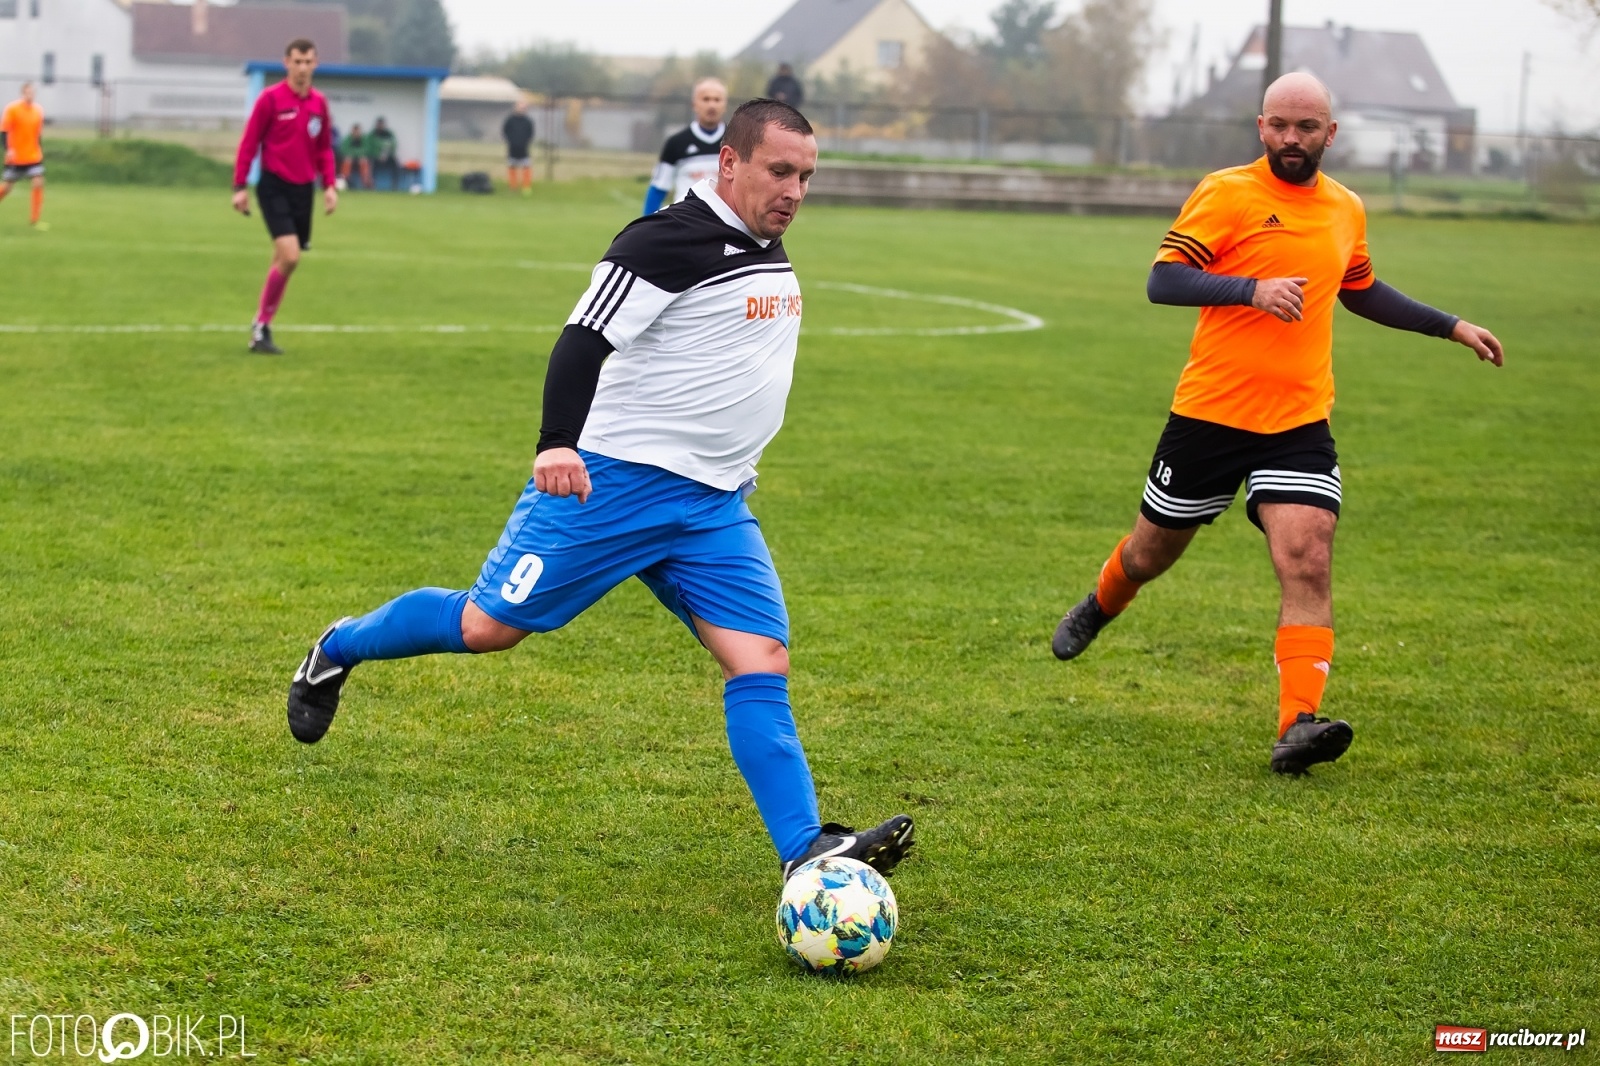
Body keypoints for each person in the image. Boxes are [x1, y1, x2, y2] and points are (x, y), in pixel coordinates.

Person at [284, 99, 915, 888]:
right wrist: (556, 440)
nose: (794, 190)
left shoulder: (765, 246)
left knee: (760, 660)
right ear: (729, 164)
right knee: (485, 628)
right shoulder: (664, 241)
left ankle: (804, 849)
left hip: (712, 507)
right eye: (779, 171)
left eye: (807, 177)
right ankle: (337, 647)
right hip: (609, 486)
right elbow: (583, 337)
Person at [1049, 73, 1505, 776]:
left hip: (1298, 419)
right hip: (1210, 416)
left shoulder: (1345, 208)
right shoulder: (1228, 192)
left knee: (1309, 556)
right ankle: (1102, 603)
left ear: (1331, 133)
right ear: (1261, 127)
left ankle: (1297, 725)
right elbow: (1163, 279)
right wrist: (1250, 289)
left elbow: (1360, 290)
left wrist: (1450, 325)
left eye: (1306, 126)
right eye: (1280, 125)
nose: (1292, 138)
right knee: (1149, 555)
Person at [232, 38, 337, 356]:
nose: (303, 68)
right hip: (274, 185)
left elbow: (323, 149)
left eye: (308, 62)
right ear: (286, 63)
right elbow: (249, 143)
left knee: (283, 259)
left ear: (316, 64)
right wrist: (239, 187)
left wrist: (329, 185)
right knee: (290, 256)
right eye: (297, 62)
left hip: (303, 190)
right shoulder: (271, 99)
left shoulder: (319, 104)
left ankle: (260, 329)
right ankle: (262, 323)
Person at [643, 78, 726, 215]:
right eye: (706, 99)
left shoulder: (737, 142)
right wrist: (645, 228)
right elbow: (658, 189)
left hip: (726, 227)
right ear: (694, 104)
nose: (712, 105)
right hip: (686, 223)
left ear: (724, 104)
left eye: (717, 100)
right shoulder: (676, 143)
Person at [0, 82, 47, 230]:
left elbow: (37, 134)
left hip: (33, 156)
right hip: (16, 157)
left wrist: (39, 149)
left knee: (38, 181)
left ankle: (35, 220)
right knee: (7, 187)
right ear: (22, 94)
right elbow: (4, 131)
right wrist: (8, 149)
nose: (30, 95)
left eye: (32, 93)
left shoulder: (38, 111)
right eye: (27, 93)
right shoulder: (12, 109)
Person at [502, 99, 536, 196]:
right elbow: (505, 131)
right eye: (519, 107)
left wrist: (525, 141)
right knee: (512, 166)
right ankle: (513, 187)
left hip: (524, 148)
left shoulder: (528, 121)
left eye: (523, 108)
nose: (521, 109)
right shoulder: (510, 120)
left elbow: (531, 133)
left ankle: (526, 187)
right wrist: (510, 140)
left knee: (526, 166)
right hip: (512, 147)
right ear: (515, 108)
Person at [369, 117, 398, 189]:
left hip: (387, 157)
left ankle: (394, 184)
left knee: (395, 164)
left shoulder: (389, 134)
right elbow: (370, 147)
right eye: (379, 124)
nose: (380, 126)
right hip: (376, 157)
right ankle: (371, 184)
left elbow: (393, 145)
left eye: (381, 124)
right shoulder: (372, 134)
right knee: (371, 164)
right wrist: (378, 155)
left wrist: (385, 155)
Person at [339, 123, 371, 189]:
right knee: (347, 160)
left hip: (360, 159)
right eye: (355, 131)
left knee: (363, 160)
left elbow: (366, 149)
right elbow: (344, 150)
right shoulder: (348, 139)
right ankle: (345, 181)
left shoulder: (364, 139)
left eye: (358, 131)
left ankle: (366, 183)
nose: (356, 133)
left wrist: (355, 153)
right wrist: (356, 153)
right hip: (350, 159)